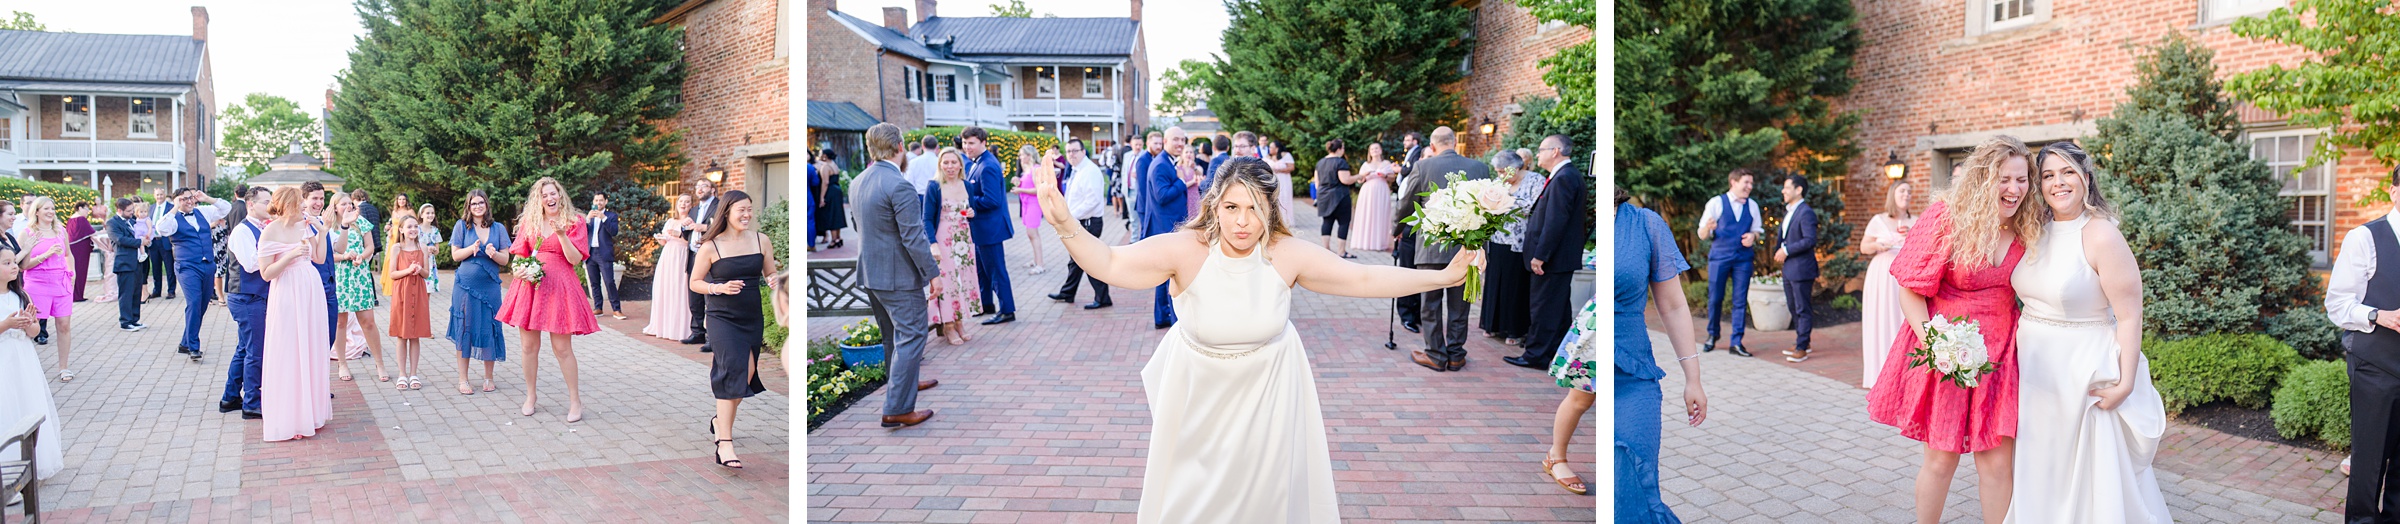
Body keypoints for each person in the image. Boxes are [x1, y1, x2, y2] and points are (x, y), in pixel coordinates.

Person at [1032, 155, 1481, 520]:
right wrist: (1065, 224)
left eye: (1254, 208)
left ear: (1270, 208)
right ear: (1213, 206)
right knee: (1195, 502)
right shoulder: (1185, 250)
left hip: (1269, 396)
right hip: (1199, 399)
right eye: (1231, 208)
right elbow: (1110, 263)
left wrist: (1443, 276)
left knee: (1261, 504)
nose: (1243, 222)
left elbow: (1362, 279)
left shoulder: (1285, 254)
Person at [1865, 135, 2037, 524]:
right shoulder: (1947, 217)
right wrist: (1937, 344)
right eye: (2004, 179)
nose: (2014, 189)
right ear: (1983, 177)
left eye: (2022, 179)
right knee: (1941, 460)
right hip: (1951, 350)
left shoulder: (2029, 225)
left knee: (1997, 465)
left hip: (2003, 356)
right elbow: (1909, 294)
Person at [2009, 141, 2171, 522]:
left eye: (2067, 172)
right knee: (2044, 465)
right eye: (2048, 175)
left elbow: (2130, 315)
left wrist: (2126, 384)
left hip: (2084, 374)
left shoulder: (2101, 235)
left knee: (2088, 477)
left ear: (2085, 177)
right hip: (2033, 372)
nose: (2057, 183)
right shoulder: (2036, 230)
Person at [1612, 189, 1708, 519]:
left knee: (1632, 486)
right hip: (1586, 367)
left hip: (1634, 375)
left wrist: (1693, 379)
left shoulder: (1646, 224)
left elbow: (1673, 304)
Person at [851, 123, 942, 428]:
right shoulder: (899, 185)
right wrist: (933, 274)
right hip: (897, 276)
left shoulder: (858, 181)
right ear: (900, 147)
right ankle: (898, 408)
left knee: (892, 336)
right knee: (913, 334)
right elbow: (913, 237)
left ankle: (902, 383)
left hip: (870, 272)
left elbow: (859, 227)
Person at [496, 177, 599, 422]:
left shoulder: (575, 222)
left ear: (560, 195)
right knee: (528, 347)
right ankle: (530, 395)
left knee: (562, 348)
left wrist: (562, 235)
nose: (550, 198)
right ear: (538, 200)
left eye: (553, 194)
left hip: (560, 287)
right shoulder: (531, 222)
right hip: (530, 286)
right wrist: (519, 270)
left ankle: (575, 401)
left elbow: (575, 260)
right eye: (544, 195)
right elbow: (519, 257)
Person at [691, 189, 780, 469]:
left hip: (751, 316)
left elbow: (770, 272)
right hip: (722, 317)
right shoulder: (711, 246)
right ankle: (725, 444)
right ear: (727, 212)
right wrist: (718, 287)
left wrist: (777, 281)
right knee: (731, 371)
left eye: (750, 210)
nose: (747, 215)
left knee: (747, 373)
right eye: (741, 210)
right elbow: (695, 282)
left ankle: (720, 420)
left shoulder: (760, 240)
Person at [2330, 166, 2400, 524]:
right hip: (2376, 366)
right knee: (2369, 463)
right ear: (2393, 192)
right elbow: (2337, 304)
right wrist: (2380, 316)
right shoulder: (2365, 238)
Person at [1395, 128, 1490, 372]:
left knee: (1430, 303)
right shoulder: (1480, 168)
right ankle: (1456, 354)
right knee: (1461, 304)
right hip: (1467, 246)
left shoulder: (1423, 167)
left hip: (1432, 246)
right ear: (1454, 144)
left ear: (1433, 145)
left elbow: (1407, 203)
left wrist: (1397, 228)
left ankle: (1436, 354)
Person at [1509, 136, 1593, 370]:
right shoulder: (1564, 176)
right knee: (1557, 308)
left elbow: (1556, 221)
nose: (1537, 154)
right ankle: (1557, 351)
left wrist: (1541, 255)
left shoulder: (1565, 178)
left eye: (1541, 150)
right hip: (1557, 259)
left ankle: (1536, 355)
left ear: (1555, 151)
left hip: (1552, 260)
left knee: (1544, 307)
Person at [258, 187, 333, 442]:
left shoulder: (306, 225)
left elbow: (320, 258)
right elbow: (266, 273)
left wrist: (322, 232)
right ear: (286, 204)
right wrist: (289, 255)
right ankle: (290, 416)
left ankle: (309, 413)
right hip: (287, 290)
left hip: (310, 287)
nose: (304, 207)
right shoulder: (270, 230)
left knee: (311, 346)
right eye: (299, 203)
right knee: (289, 349)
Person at [0, 244, 63, 482]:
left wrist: (29, 323)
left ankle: (31, 462)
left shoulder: (19, 295)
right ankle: (7, 471)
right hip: (2, 358)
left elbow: (35, 331)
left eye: (13, 262)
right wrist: (6, 325)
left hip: (22, 359)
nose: (14, 267)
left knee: (26, 400)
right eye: (6, 263)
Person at [1695, 168, 1763, 358]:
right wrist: (1708, 228)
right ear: (1733, 182)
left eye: (1751, 183)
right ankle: (1712, 335)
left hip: (1743, 259)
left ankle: (1736, 342)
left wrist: (1753, 236)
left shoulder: (1753, 206)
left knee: (1740, 300)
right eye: (1746, 182)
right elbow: (1701, 235)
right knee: (1715, 298)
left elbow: (1757, 231)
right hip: (1720, 257)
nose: (1750, 186)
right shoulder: (1716, 203)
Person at [221, 187, 275, 420]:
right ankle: (252, 403)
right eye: (266, 202)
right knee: (256, 349)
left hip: (254, 294)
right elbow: (252, 264)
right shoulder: (242, 231)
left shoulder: (262, 228)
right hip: (245, 295)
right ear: (251, 204)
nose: (270, 206)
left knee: (244, 347)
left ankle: (230, 397)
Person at [1481, 151, 1546, 346]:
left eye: (1503, 172)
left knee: (1515, 286)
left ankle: (1514, 330)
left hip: (1520, 242)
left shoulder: (1536, 180)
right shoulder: (1500, 182)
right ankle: (1491, 325)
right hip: (1497, 238)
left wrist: (1506, 198)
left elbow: (1532, 207)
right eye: (1497, 172)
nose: (1500, 176)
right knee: (1495, 283)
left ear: (1516, 168)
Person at [450, 190, 511, 394]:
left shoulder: (498, 228)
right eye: (474, 203)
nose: (477, 206)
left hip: (490, 288)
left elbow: (505, 259)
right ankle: (463, 379)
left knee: (489, 328)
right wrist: (471, 249)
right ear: (468, 206)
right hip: (466, 287)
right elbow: (455, 255)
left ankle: (488, 378)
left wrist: (494, 254)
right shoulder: (462, 226)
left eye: (481, 202)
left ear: (486, 204)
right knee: (464, 329)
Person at [160, 189, 231, 362]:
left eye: (190, 198)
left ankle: (185, 342)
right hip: (187, 266)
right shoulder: (173, 219)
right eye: (183, 199)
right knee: (193, 302)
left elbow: (225, 208)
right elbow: (161, 228)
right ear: (177, 201)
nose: (188, 201)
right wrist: (175, 207)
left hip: (207, 265)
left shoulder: (203, 212)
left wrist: (206, 198)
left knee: (202, 305)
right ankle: (193, 346)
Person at [924, 147, 983, 345]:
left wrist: (972, 214)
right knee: (947, 283)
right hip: (944, 239)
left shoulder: (967, 185)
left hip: (964, 240)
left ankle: (960, 322)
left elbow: (970, 210)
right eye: (945, 162)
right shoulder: (934, 186)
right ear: (940, 165)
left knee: (964, 282)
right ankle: (948, 326)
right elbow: (926, 219)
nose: (950, 166)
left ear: (960, 164)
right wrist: (933, 244)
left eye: (953, 162)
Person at [1861, 181, 1918, 388]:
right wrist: (1878, 244)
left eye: (1909, 191)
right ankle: (1880, 371)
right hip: (1882, 275)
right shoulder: (1879, 220)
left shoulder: (1916, 221)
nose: (1907, 194)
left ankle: (1903, 372)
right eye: (1902, 191)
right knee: (1882, 318)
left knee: (1903, 320)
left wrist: (1910, 238)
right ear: (1893, 194)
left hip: (1906, 275)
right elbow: (1864, 247)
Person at [959, 127, 1018, 325]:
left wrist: (966, 201)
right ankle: (986, 305)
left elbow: (992, 200)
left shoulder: (989, 166)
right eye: (965, 143)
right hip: (982, 228)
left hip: (990, 229)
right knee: (982, 270)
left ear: (983, 142)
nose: (967, 147)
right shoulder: (978, 163)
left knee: (995, 270)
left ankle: (1007, 310)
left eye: (971, 143)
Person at [329, 193, 389, 383]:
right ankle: (342, 362)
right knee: (340, 322)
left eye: (350, 203)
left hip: (359, 276)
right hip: (339, 277)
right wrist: (345, 256)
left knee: (368, 321)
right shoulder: (328, 225)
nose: (348, 206)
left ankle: (380, 363)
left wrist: (362, 256)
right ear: (335, 207)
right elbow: (325, 254)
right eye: (343, 203)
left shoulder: (360, 222)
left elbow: (370, 246)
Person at [1047, 139, 1112, 310]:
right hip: (1080, 221)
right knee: (1075, 260)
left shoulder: (1089, 171)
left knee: (1089, 261)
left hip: (1088, 223)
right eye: (1068, 151)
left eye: (1075, 151)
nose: (1071, 155)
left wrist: (1068, 216)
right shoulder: (1077, 169)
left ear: (1084, 152)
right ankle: (1068, 292)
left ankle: (1103, 297)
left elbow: (1093, 201)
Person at [18, 197, 74, 378]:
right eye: (46, 209)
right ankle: (28, 369)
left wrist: (72, 274)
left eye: (53, 208)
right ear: (37, 211)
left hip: (61, 282)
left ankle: (63, 367)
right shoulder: (27, 233)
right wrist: (46, 254)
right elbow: (23, 265)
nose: (51, 212)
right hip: (37, 283)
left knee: (64, 325)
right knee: (31, 326)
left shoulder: (60, 231)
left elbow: (68, 254)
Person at [1776, 174, 1822, 363]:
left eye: (1787, 187)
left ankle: (1802, 347)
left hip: (1802, 269)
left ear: (1798, 189)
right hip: (1789, 269)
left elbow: (1810, 240)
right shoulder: (1790, 211)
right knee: (1793, 306)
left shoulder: (1806, 212)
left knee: (1803, 308)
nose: (1783, 191)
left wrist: (1786, 250)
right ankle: (1802, 341)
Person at [387, 214, 433, 392]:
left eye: (415, 226)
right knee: (402, 335)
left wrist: (420, 269)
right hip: (402, 293)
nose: (413, 230)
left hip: (418, 292)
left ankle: (414, 373)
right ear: (401, 230)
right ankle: (401, 374)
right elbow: (392, 274)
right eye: (409, 227)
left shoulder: (423, 247)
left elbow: (427, 274)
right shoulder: (396, 248)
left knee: (415, 335)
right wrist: (408, 270)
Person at [644, 195, 695, 343]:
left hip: (681, 256)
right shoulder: (670, 221)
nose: (683, 204)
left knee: (679, 289)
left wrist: (679, 235)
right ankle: (662, 326)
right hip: (667, 257)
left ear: (691, 205)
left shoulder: (691, 221)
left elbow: (692, 240)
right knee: (664, 289)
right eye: (681, 202)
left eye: (687, 202)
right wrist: (661, 238)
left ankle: (679, 328)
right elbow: (664, 242)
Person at [683, 179, 720, 346]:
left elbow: (723, 227)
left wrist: (704, 228)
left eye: (704, 186)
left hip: (710, 257)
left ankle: (712, 338)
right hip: (693, 256)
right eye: (697, 186)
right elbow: (687, 235)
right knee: (694, 296)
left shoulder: (719, 206)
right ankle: (697, 332)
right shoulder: (694, 210)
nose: (699, 189)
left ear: (712, 190)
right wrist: (685, 227)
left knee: (709, 297)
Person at [1348, 143, 1400, 252]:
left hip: (1382, 190)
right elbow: (1359, 180)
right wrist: (1364, 175)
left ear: (1380, 150)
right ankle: (1364, 241)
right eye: (1372, 149)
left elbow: (1392, 178)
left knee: (1380, 214)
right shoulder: (1366, 165)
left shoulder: (1386, 163)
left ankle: (1379, 243)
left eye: (1376, 148)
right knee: (1367, 214)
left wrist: (1384, 175)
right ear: (1369, 152)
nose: (1374, 150)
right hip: (1368, 191)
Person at [1315, 139, 1360, 259]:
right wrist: (1359, 176)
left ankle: (1326, 250)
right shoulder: (1341, 162)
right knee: (1343, 223)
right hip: (1340, 196)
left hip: (1324, 196)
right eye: (1343, 148)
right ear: (1339, 149)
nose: (1343, 150)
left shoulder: (1320, 162)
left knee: (1327, 222)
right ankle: (1341, 251)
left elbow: (1317, 183)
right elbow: (1345, 179)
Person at [1010, 143, 1050, 275]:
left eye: (1022, 155)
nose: (1020, 157)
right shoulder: (1027, 169)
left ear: (1029, 155)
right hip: (1026, 203)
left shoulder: (1036, 169)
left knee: (1033, 234)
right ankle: (1035, 260)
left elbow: (1038, 189)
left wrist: (1020, 189)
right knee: (1030, 234)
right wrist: (1018, 182)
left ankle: (1040, 264)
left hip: (1034, 204)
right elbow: (1027, 184)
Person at [584, 192, 624, 319]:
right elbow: (581, 233)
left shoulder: (611, 216)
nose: (598, 203)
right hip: (590, 253)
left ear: (605, 201)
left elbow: (614, 232)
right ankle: (598, 308)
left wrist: (603, 218)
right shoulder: (589, 216)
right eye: (596, 200)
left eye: (601, 200)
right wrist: (587, 219)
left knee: (609, 281)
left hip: (604, 253)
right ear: (593, 201)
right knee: (594, 282)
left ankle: (616, 309)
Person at [814, 150, 849, 250]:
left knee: (832, 215)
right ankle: (838, 238)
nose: (819, 155)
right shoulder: (834, 164)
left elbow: (825, 182)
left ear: (825, 155)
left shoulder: (825, 167)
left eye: (821, 153)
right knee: (837, 214)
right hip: (837, 190)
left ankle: (834, 240)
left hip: (830, 192)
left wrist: (822, 198)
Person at [146, 189, 175, 300]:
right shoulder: (152, 208)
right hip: (154, 242)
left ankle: (171, 291)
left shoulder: (170, 207)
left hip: (165, 241)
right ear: (154, 196)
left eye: (161, 194)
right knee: (156, 267)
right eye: (157, 195)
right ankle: (157, 290)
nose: (159, 197)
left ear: (165, 195)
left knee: (169, 267)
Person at [1262, 139, 1297, 227]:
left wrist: (1280, 170)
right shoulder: (1267, 157)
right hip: (1272, 181)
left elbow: (1291, 167)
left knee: (1284, 198)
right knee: (1273, 199)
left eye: (1271, 147)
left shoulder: (1286, 155)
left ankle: (1285, 220)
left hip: (1284, 180)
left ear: (1277, 148)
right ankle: (1273, 220)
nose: (1269, 149)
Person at [66, 201, 93, 302]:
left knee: (74, 270)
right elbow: (92, 232)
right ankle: (78, 295)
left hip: (72, 248)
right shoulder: (81, 219)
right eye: (86, 209)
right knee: (81, 271)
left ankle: (73, 294)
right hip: (81, 249)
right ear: (80, 208)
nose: (87, 211)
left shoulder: (71, 219)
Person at [419, 204, 442, 294]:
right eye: (427, 213)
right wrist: (426, 248)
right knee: (419, 290)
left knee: (428, 291)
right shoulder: (417, 229)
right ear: (422, 215)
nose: (430, 215)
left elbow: (437, 251)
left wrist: (433, 249)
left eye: (432, 213)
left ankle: (426, 308)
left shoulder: (435, 230)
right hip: (420, 261)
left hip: (430, 263)